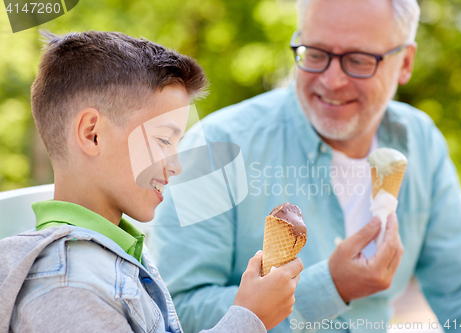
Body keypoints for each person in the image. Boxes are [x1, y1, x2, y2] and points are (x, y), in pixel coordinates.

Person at [149, 0, 461, 332]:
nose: (332, 81)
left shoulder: (420, 141)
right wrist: (330, 287)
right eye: (315, 54)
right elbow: (176, 310)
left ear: (405, 62)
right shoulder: (214, 147)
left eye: (360, 60)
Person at [0, 31, 304, 333]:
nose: (176, 165)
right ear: (92, 133)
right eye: (163, 140)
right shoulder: (67, 287)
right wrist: (249, 319)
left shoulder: (117, 254)